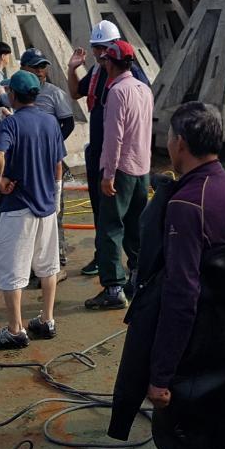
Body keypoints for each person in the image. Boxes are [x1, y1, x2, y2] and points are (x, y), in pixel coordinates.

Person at [108, 101, 225, 449]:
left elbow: (181, 296)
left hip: (193, 363)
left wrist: (161, 375)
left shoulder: (187, 204)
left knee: (183, 448)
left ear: (179, 143)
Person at [0, 70, 67, 350]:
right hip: (46, 207)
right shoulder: (51, 122)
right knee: (48, 266)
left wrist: (0, 180)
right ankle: (47, 319)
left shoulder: (11, 125)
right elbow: (58, 164)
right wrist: (55, 196)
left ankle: (16, 330)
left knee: (12, 272)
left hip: (18, 207)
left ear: (13, 95)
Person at [65, 20, 150, 277]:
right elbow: (76, 93)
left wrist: (110, 172)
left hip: (118, 160)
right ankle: (111, 261)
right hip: (106, 156)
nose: (100, 54)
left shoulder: (126, 83)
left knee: (117, 221)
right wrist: (72, 69)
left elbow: (117, 133)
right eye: (96, 48)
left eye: (103, 49)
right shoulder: (98, 73)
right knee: (104, 215)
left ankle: (119, 278)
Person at [85, 39, 153, 311]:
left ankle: (113, 287)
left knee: (110, 228)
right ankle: (137, 277)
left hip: (121, 170)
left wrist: (107, 175)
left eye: (105, 61)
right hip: (142, 170)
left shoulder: (116, 92)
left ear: (111, 63)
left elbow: (114, 138)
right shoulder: (143, 89)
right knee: (136, 227)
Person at [21, 48, 74, 281]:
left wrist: (51, 146)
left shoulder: (55, 94)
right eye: (36, 67)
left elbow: (68, 124)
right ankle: (31, 261)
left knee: (54, 211)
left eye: (43, 67)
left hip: (50, 162)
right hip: (26, 164)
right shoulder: (16, 92)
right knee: (28, 213)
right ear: (24, 69)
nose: (41, 72)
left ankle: (57, 257)